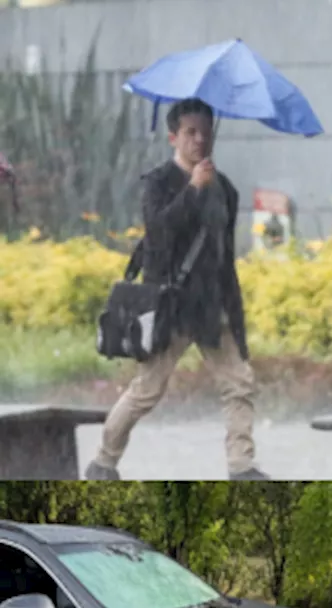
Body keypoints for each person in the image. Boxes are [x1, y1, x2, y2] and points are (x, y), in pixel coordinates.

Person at [85, 98, 268, 480]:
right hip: (170, 304)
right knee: (147, 390)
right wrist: (192, 191)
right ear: (173, 136)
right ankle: (104, 460)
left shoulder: (226, 190)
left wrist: (234, 314)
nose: (200, 140)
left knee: (239, 383)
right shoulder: (158, 182)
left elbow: (224, 256)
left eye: (205, 132)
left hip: (212, 305)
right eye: (190, 132)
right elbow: (159, 234)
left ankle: (241, 466)